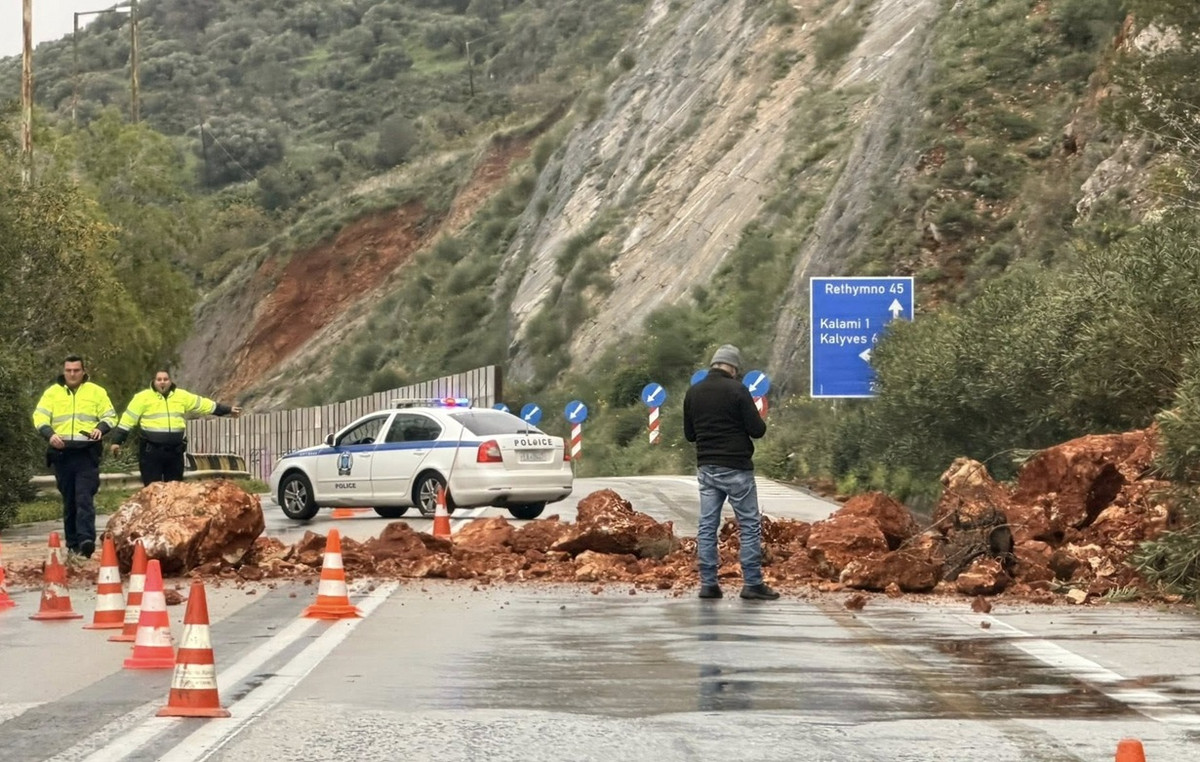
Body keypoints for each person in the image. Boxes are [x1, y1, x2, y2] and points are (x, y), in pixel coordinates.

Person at [682, 344, 779, 601]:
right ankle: (752, 584)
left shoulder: (693, 392)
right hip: (737, 468)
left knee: (707, 525)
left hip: (707, 468)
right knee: (749, 525)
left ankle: (709, 584)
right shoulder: (738, 390)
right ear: (733, 368)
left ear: (713, 364)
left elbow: (690, 434)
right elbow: (757, 430)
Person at [32, 355, 117, 559]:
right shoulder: (52, 393)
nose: (72, 374)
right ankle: (73, 545)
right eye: (68, 370)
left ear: (83, 371)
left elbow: (110, 416)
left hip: (86, 454)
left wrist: (100, 429)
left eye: (76, 370)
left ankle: (86, 540)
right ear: (64, 371)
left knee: (84, 497)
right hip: (62, 455)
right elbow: (39, 416)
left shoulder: (96, 392)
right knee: (70, 501)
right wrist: (50, 435)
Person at [109, 369, 242, 486]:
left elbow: (204, 405)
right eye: (159, 379)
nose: (162, 382)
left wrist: (228, 410)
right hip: (151, 453)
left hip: (175, 453)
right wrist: (117, 441)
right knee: (153, 491)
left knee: (175, 492)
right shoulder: (142, 398)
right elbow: (127, 420)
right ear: (154, 381)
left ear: (170, 381)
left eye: (165, 379)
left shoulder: (181, 396)